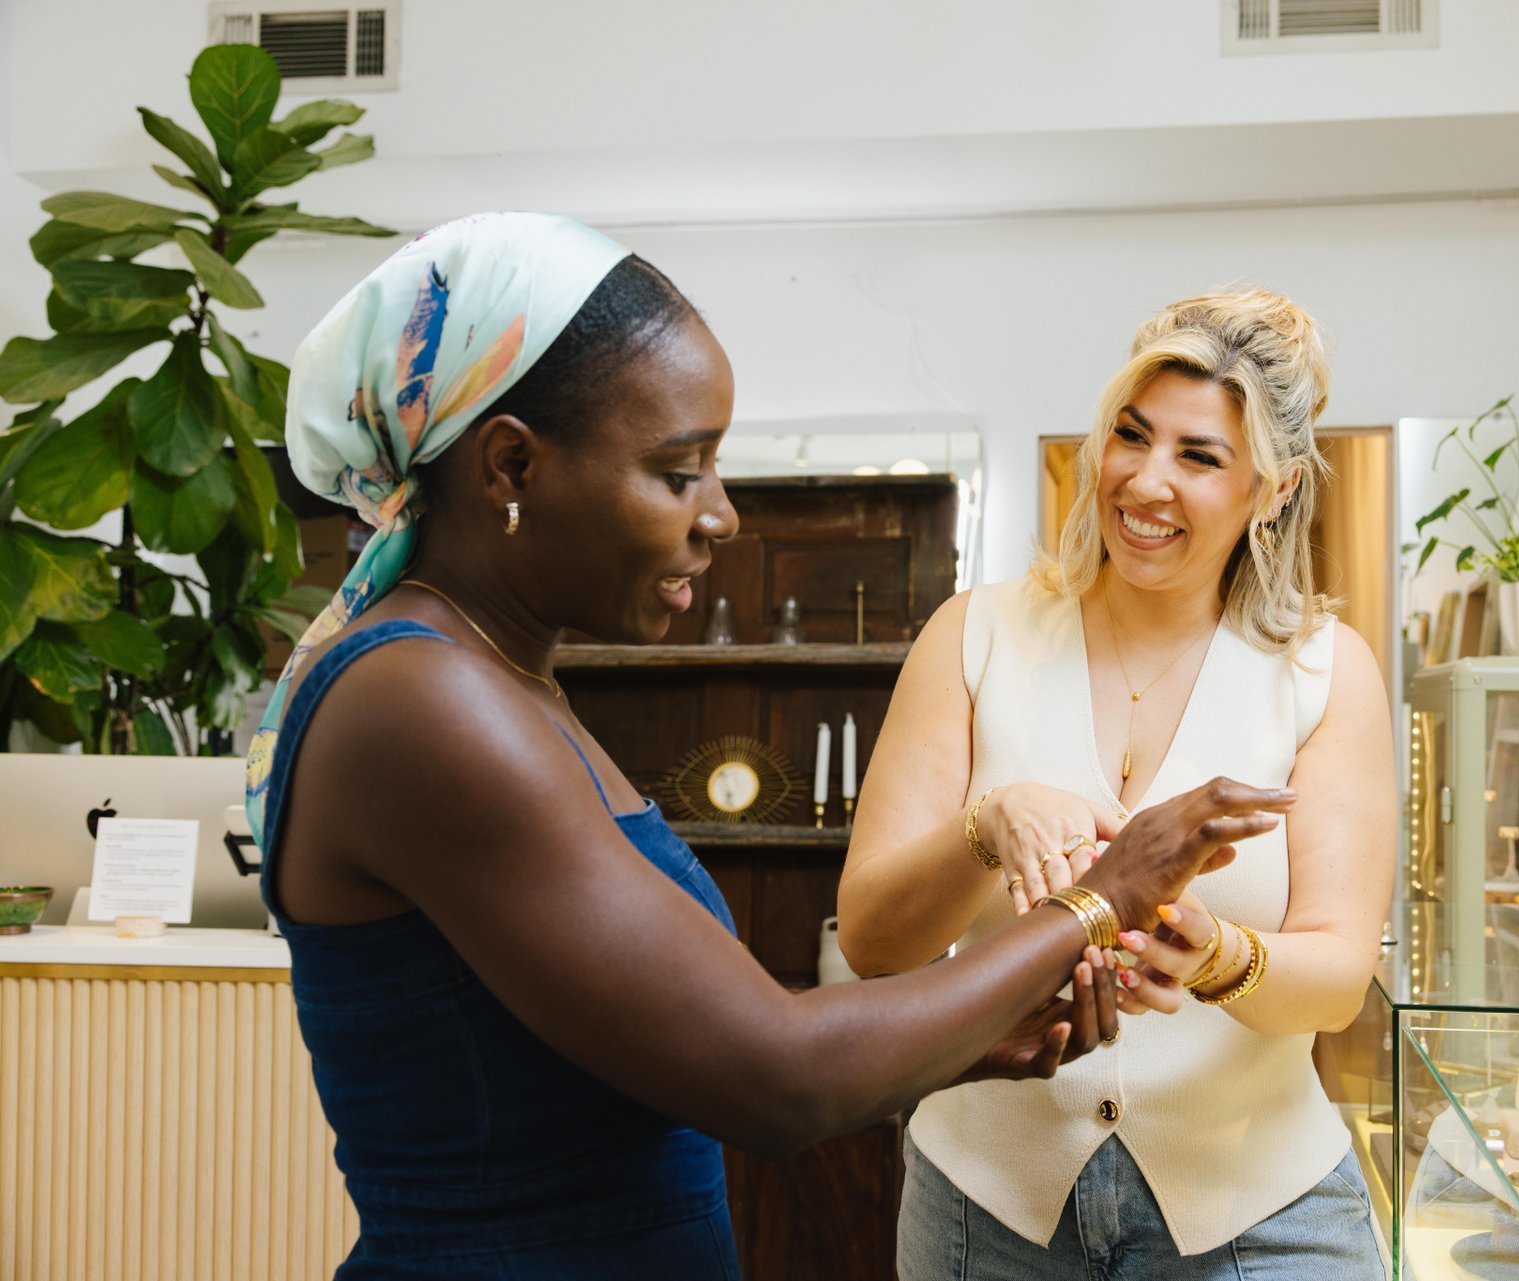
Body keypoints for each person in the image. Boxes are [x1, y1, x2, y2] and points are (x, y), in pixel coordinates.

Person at [243, 214, 1294, 1280]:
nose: (723, 515)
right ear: (512, 464)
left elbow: (706, 1043)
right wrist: (1103, 896)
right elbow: (777, 1077)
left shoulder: (497, 682)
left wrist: (955, 1050)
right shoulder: (423, 702)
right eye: (678, 471)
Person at [838, 289, 1397, 1278]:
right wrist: (984, 823)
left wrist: (1218, 957)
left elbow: (1338, 979)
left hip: (1260, 1217)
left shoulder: (1325, 671)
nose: (1145, 480)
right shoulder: (974, 636)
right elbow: (878, 944)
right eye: (1129, 438)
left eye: (1199, 457)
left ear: (1275, 489)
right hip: (985, 1205)